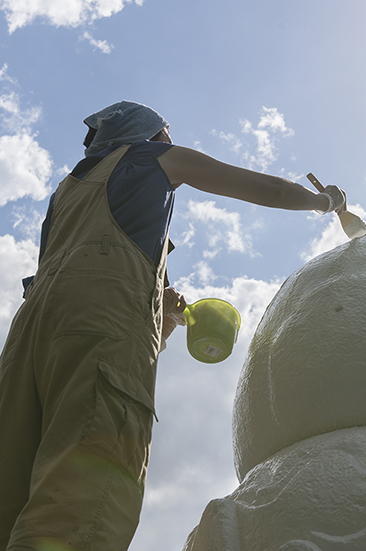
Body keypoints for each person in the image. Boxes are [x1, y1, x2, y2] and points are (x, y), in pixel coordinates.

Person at [0, 101, 346, 551]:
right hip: (98, 325)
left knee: (10, 484)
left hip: (26, 338)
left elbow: (83, 281)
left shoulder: (67, 192)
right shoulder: (151, 156)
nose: (169, 139)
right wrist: (327, 202)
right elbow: (269, 191)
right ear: (153, 134)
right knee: (84, 489)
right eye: (166, 132)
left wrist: (166, 318)